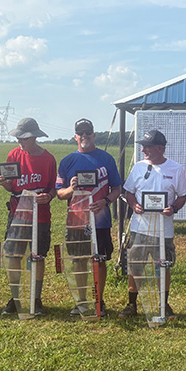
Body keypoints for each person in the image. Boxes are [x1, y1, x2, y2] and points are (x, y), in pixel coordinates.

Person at [118, 129, 186, 320]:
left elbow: (183, 196)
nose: (143, 151)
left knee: (163, 267)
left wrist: (173, 208)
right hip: (139, 228)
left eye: (147, 147)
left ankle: (163, 305)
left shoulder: (176, 169)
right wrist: (134, 205)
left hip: (163, 230)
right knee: (136, 266)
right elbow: (128, 192)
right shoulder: (139, 167)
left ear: (159, 148)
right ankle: (131, 304)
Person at [56, 118, 122, 317]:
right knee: (79, 261)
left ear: (94, 135)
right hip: (76, 221)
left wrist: (106, 202)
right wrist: (71, 188)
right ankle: (82, 301)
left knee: (100, 260)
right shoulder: (67, 161)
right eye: (80, 132)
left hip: (100, 220)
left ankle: (99, 300)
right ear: (75, 136)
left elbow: (117, 188)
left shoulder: (106, 159)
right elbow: (59, 193)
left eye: (87, 132)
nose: (84, 135)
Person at [0, 118, 57, 316]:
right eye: (18, 138)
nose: (19, 142)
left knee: (38, 256)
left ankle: (36, 297)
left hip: (40, 215)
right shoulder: (14, 154)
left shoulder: (48, 159)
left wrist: (47, 196)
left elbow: (52, 189)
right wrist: (3, 182)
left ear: (34, 137)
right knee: (13, 254)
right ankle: (15, 297)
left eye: (23, 138)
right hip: (17, 213)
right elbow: (10, 186)